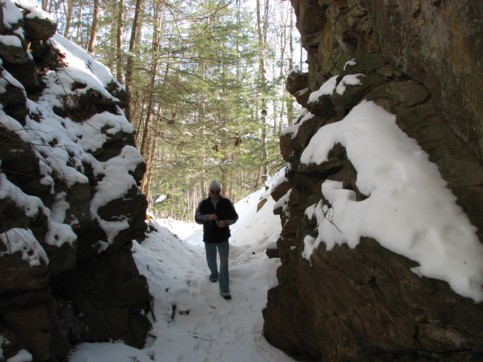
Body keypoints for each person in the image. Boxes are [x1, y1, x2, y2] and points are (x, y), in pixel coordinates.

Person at [195, 180, 238, 300]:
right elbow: (197, 218)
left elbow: (235, 217)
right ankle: (214, 274)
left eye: (217, 191)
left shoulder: (226, 202)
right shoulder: (203, 203)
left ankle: (224, 289)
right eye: (212, 191)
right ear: (209, 191)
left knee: (224, 263)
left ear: (220, 191)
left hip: (223, 237)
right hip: (209, 237)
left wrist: (225, 223)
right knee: (211, 260)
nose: (214, 193)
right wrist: (208, 217)